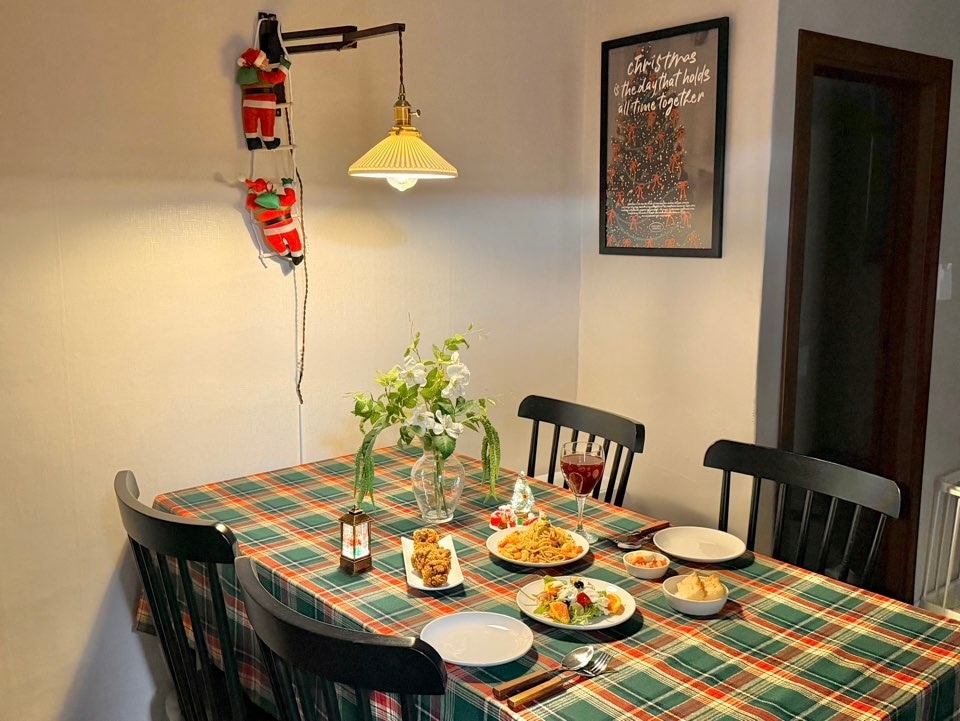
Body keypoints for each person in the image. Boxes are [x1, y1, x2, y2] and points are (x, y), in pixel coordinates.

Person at [236, 48, 291, 150]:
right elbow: (278, 78)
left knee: (250, 122)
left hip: (248, 104)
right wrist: (285, 65)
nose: (268, 60)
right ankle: (269, 140)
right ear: (259, 64)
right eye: (265, 59)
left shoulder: (243, 76)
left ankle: (252, 141)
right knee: (267, 121)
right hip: (265, 103)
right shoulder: (261, 75)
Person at [245, 177, 303, 265]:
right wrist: (287, 184)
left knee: (278, 245)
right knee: (294, 241)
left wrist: (251, 192)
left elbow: (249, 204)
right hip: (287, 226)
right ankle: (297, 255)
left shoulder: (256, 205)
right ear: (269, 187)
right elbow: (291, 198)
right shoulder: (280, 199)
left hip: (270, 231)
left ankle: (286, 253)